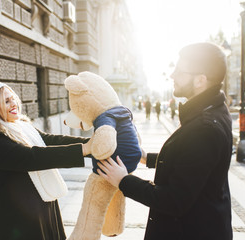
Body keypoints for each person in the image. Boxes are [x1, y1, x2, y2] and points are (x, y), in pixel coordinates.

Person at [98, 42, 233, 240]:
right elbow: (190, 163)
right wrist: (147, 158)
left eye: (179, 71)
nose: (172, 76)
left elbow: (173, 200)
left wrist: (123, 181)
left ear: (200, 80)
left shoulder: (205, 127)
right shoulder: (212, 110)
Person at [0, 82, 92, 240]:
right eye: (6, 101)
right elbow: (32, 157)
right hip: (18, 220)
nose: (14, 103)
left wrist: (91, 144)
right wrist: (85, 150)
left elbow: (51, 140)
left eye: (13, 98)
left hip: (45, 208)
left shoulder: (21, 127)